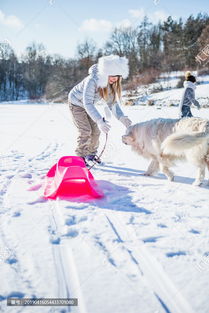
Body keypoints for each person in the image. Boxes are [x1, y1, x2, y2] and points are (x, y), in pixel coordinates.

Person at [68, 54, 132, 166]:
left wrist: (122, 118)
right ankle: (80, 157)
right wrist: (99, 120)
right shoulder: (92, 80)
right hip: (76, 104)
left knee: (96, 131)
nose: (115, 78)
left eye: (117, 75)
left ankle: (91, 154)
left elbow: (112, 104)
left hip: (87, 105)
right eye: (112, 75)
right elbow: (87, 102)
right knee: (85, 131)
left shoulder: (110, 85)